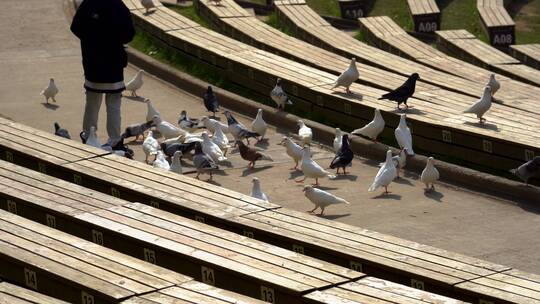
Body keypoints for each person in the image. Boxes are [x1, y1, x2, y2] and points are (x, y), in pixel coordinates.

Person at [70, 0, 135, 144]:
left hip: (92, 63)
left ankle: (88, 136)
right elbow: (129, 34)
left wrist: (91, 39)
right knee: (114, 103)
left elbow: (75, 27)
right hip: (113, 64)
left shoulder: (89, 3)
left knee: (92, 100)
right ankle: (114, 139)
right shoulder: (118, 6)